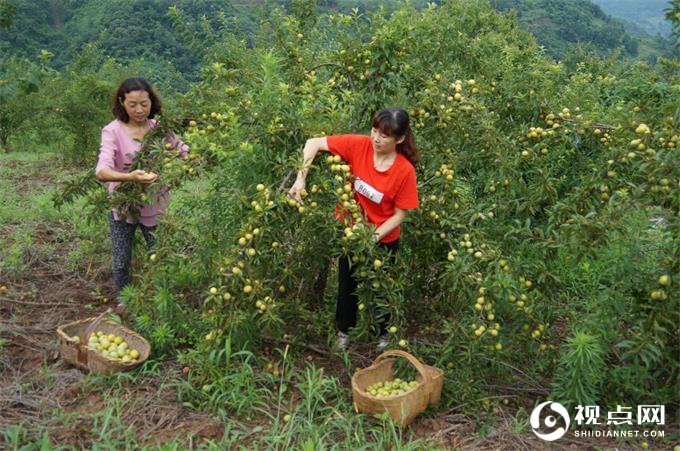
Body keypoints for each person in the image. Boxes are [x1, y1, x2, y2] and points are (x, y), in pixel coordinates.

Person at [288, 107, 419, 351]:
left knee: (382, 287)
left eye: (385, 135)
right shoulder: (360, 146)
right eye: (375, 130)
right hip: (351, 232)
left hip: (383, 237)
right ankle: (344, 332)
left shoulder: (404, 171)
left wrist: (373, 237)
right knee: (347, 283)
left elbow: (400, 214)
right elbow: (313, 143)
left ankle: (384, 336)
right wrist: (300, 178)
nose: (376, 138)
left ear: (399, 139)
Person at [95, 77, 187, 313]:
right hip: (124, 206)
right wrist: (130, 177)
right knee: (121, 260)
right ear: (122, 102)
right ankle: (123, 303)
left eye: (144, 104)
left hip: (156, 204)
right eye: (133, 104)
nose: (139, 110)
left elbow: (184, 151)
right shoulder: (112, 131)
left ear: (151, 102)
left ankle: (160, 302)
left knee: (159, 257)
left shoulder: (159, 129)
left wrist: (201, 155)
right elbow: (102, 171)